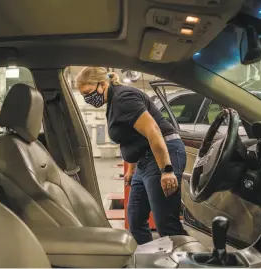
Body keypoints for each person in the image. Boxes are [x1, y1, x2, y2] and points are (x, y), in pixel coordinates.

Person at [76, 67, 188, 245]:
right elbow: (132, 139)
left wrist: (166, 170)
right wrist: (131, 169)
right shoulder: (113, 102)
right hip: (144, 161)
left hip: (160, 156)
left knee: (166, 224)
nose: (87, 99)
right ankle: (148, 259)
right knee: (135, 220)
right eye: (83, 95)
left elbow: (153, 131)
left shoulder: (123, 98)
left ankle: (186, 259)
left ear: (102, 84)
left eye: (88, 93)